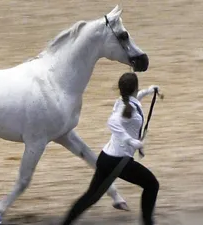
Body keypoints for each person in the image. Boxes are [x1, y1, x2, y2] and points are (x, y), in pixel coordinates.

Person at [60, 72, 160, 225]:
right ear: (135, 87)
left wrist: (148, 91)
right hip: (118, 162)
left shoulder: (124, 102)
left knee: (91, 197)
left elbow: (135, 101)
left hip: (107, 158)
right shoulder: (126, 108)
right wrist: (131, 141)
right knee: (152, 185)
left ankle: (65, 222)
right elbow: (112, 122)